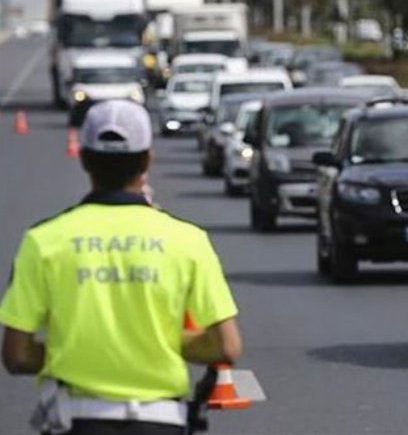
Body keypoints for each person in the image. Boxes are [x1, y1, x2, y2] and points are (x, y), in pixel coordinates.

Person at [0, 99, 242, 435]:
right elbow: (225, 346)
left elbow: (16, 354)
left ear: (83, 158)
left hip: (76, 420)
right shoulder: (188, 240)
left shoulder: (43, 241)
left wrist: (75, 349)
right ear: (147, 160)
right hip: (161, 420)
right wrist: (154, 340)